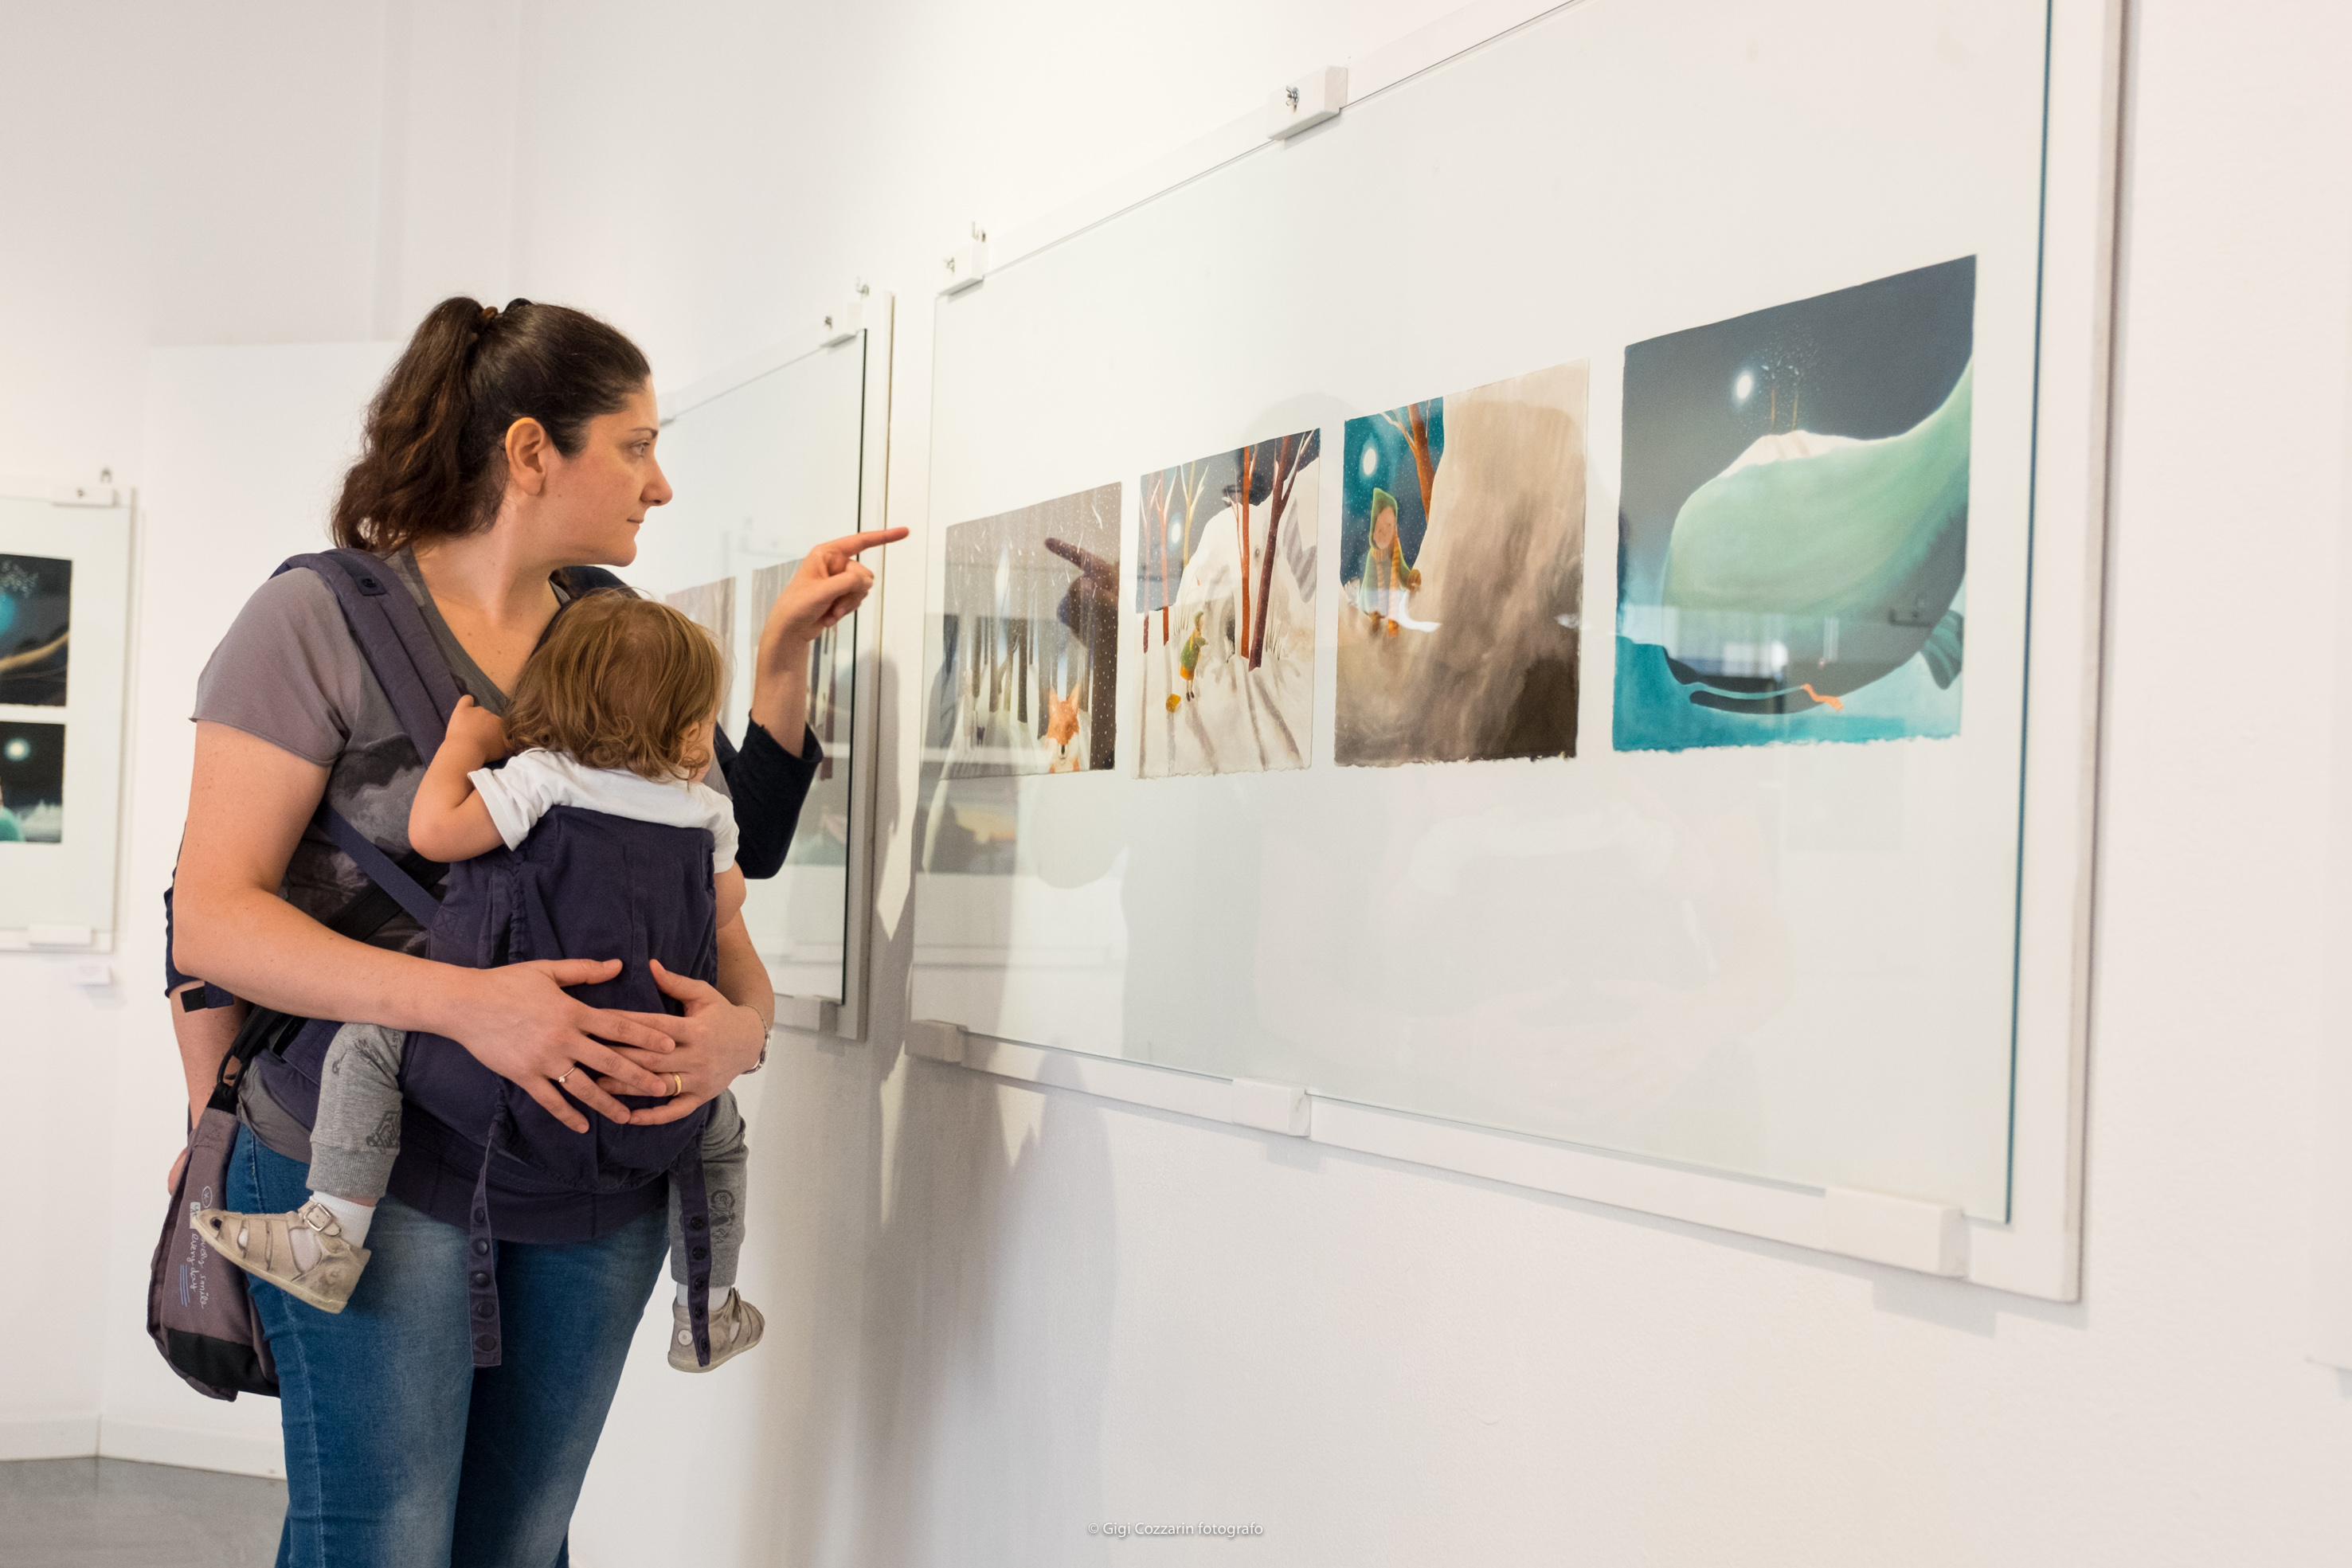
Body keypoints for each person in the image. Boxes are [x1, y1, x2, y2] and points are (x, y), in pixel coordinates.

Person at [166, 294, 902, 1566]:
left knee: (521, 1539)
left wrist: (743, 1031)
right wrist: (471, 1006)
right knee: (386, 1541)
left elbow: (722, 859)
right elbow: (212, 917)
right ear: (529, 453)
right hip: (372, 1151)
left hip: (596, 1167)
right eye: (635, 445)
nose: (660, 484)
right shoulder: (315, 619)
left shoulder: (610, 627)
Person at [191, 592, 769, 1372]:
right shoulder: (704, 814)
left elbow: (435, 831)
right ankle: (707, 1307)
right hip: (646, 1080)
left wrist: (464, 747)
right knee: (721, 1132)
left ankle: (329, 1231)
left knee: (366, 1047)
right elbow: (725, 904)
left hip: (507, 1078)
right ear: (690, 727)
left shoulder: (541, 777)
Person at [1355, 487, 1423, 635]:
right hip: (1375, 610)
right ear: (1373, 532)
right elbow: (1370, 588)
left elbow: (1402, 572)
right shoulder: (1373, 557)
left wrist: (1411, 577)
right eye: (1380, 529)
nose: (1385, 533)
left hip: (1393, 608)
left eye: (1390, 526)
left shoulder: (1394, 551)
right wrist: (1374, 611)